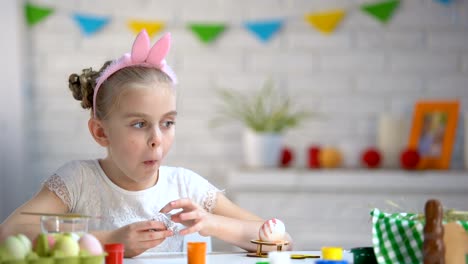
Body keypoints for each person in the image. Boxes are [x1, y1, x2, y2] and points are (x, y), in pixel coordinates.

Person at [0, 30, 293, 257]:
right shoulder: (78, 181)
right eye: (139, 124)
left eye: (167, 123)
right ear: (101, 133)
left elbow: (281, 241)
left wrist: (210, 222)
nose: (157, 140)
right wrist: (112, 241)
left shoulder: (188, 186)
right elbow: (9, 235)